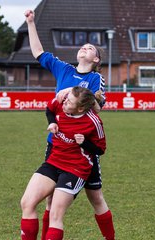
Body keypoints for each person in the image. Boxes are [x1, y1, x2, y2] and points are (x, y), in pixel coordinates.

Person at [25, 9, 115, 240]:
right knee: (49, 200)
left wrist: (75, 93)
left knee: (96, 198)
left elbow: (98, 104)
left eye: (90, 48)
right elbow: (38, 52)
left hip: (83, 149)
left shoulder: (96, 79)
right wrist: (31, 22)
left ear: (95, 60)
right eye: (82, 46)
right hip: (57, 145)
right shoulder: (63, 68)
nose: (85, 47)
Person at [20, 87, 106, 240]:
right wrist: (52, 122)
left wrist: (84, 143)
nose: (65, 101)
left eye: (69, 101)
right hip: (54, 162)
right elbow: (49, 108)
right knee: (27, 203)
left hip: (76, 169)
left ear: (80, 108)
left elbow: (100, 149)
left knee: (55, 214)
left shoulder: (94, 121)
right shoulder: (61, 102)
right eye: (67, 97)